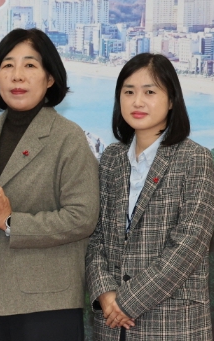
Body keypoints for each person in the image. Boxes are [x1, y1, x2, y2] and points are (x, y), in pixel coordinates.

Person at [0, 28, 99, 341]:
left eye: (30, 65)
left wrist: (11, 222)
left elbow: (82, 217)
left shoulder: (68, 137)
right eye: (7, 65)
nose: (17, 75)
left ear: (50, 78)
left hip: (46, 305)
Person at [85, 53, 214, 341]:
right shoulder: (111, 158)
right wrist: (104, 293)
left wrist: (126, 302)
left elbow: (189, 246)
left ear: (171, 100)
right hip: (110, 325)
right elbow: (95, 236)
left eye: (150, 92)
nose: (137, 102)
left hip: (172, 323)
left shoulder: (195, 158)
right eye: (129, 92)